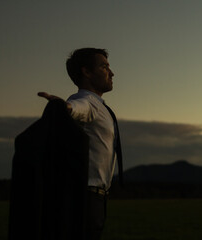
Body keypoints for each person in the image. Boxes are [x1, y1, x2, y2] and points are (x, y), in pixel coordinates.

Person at [37, 47, 123, 239]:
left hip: (94, 198)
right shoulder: (86, 101)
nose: (111, 72)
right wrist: (62, 106)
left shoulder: (98, 105)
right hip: (85, 198)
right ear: (86, 72)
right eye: (104, 67)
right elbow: (76, 108)